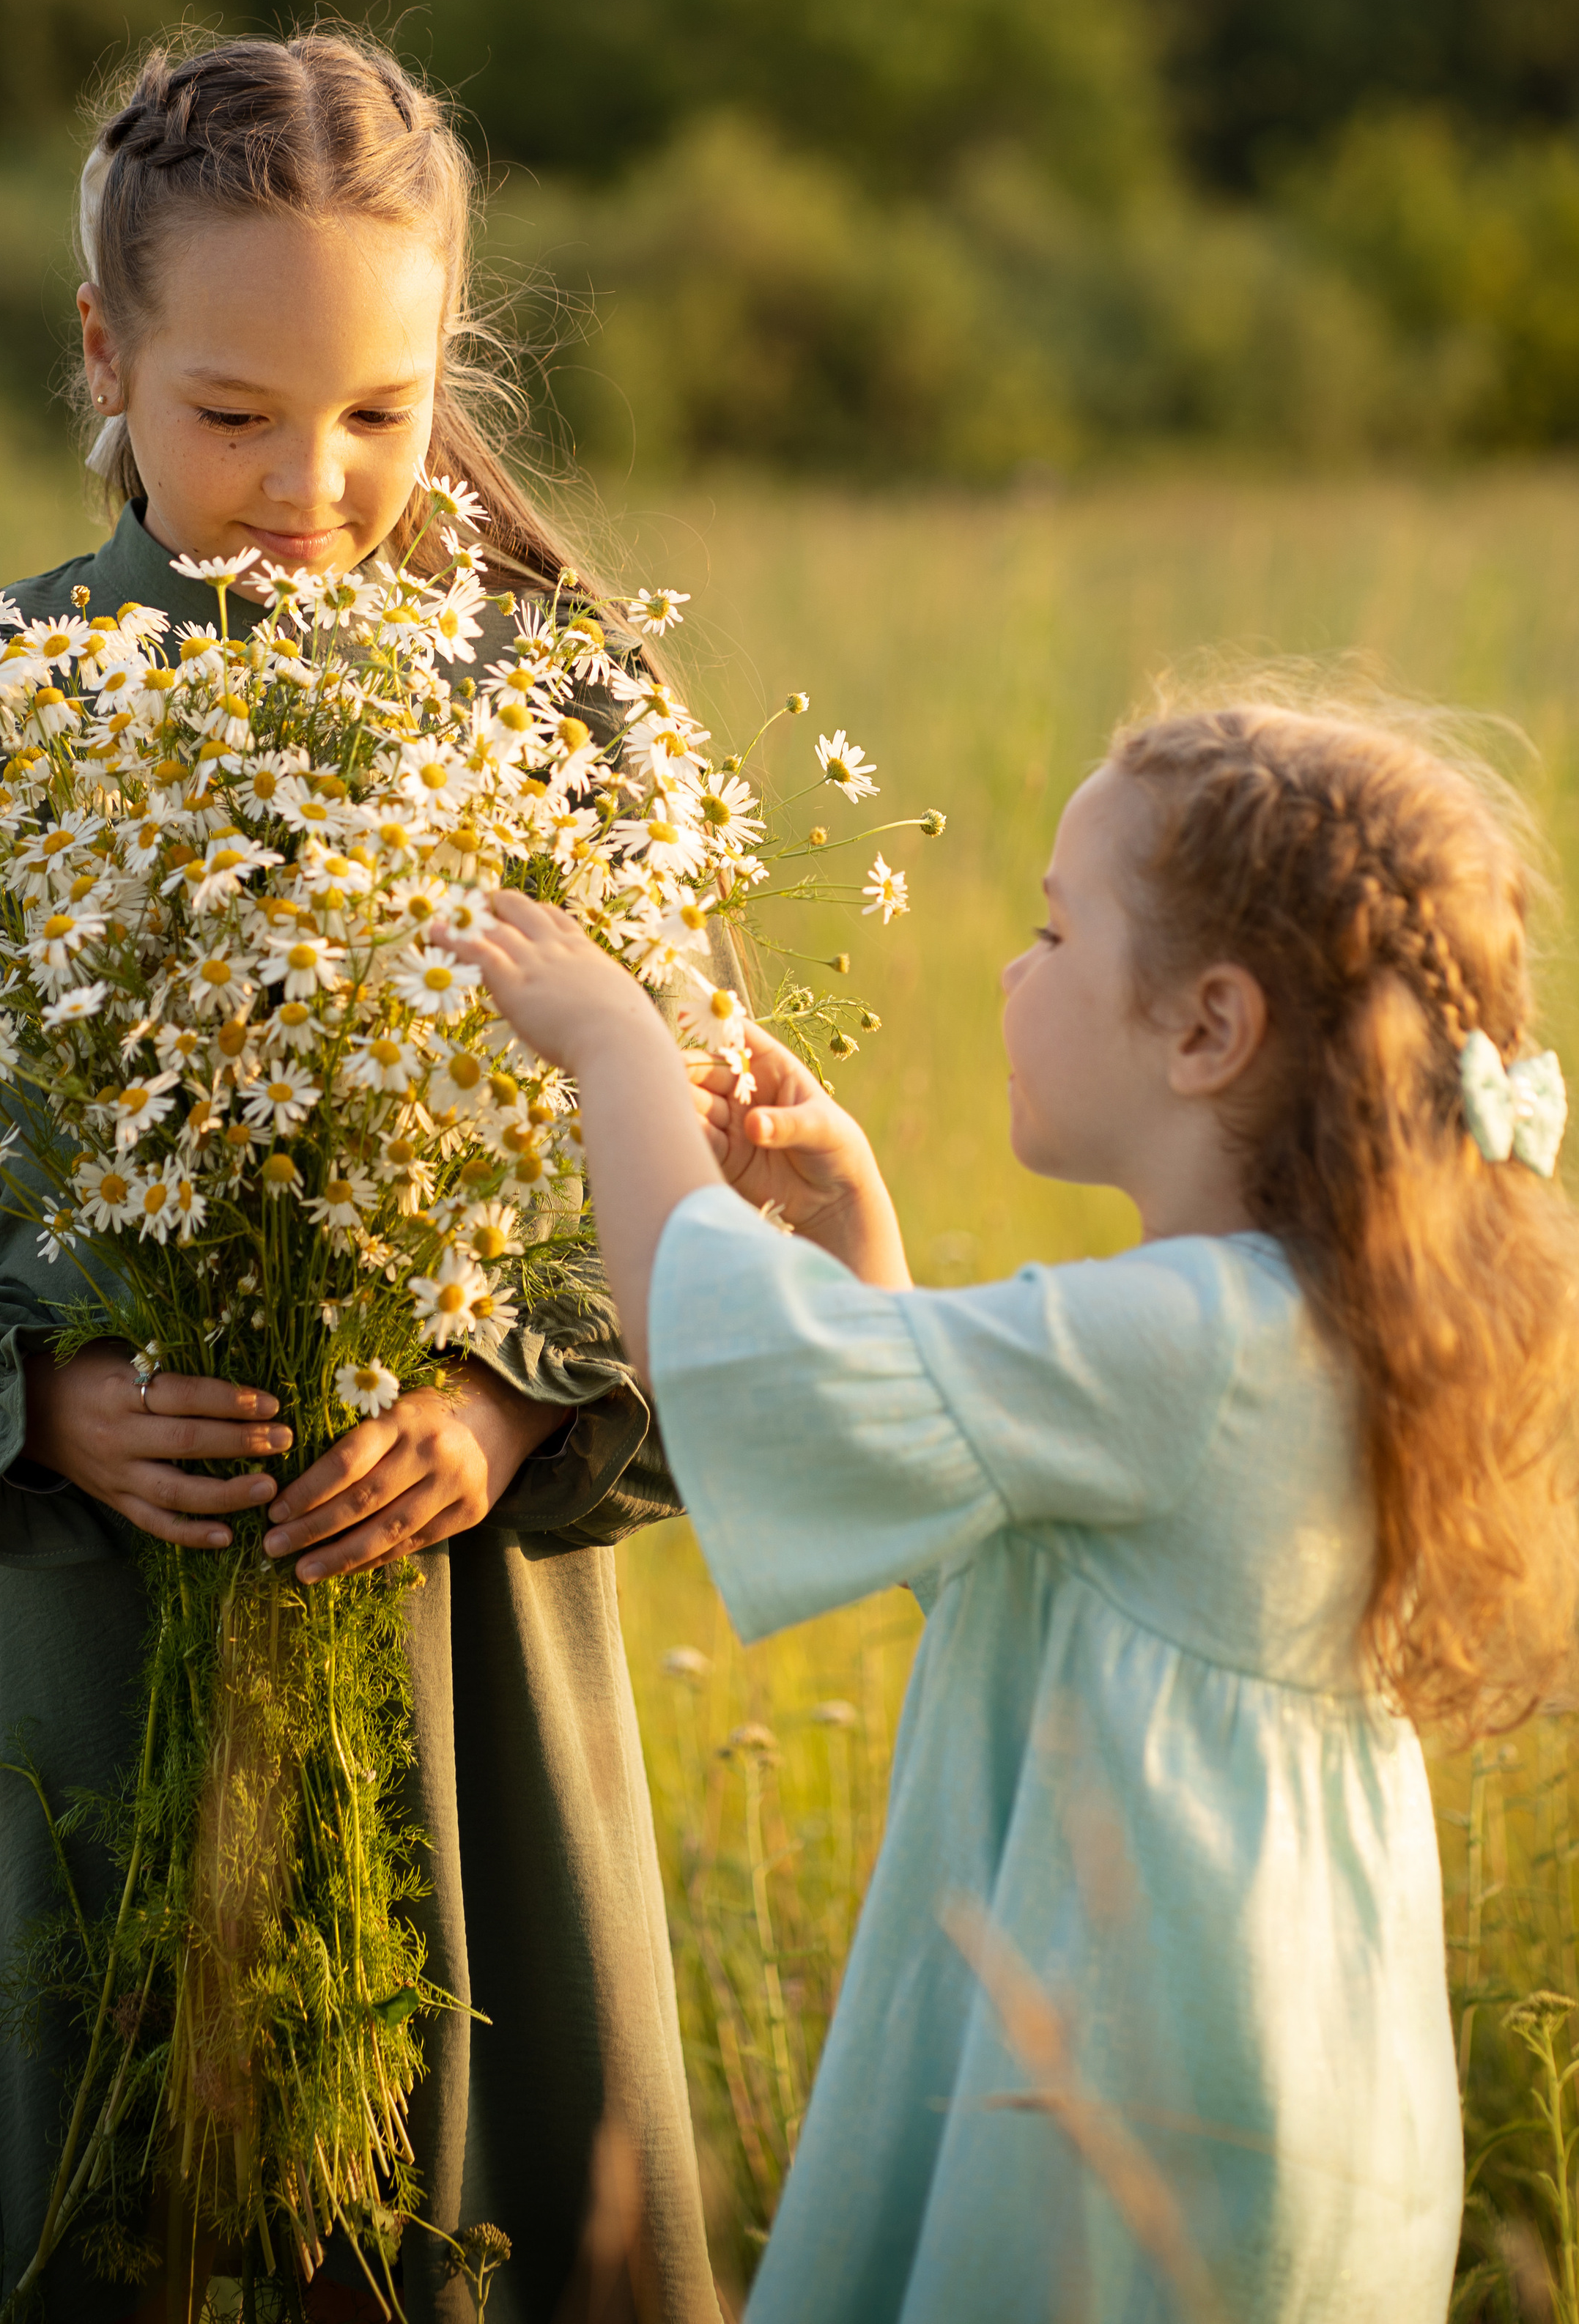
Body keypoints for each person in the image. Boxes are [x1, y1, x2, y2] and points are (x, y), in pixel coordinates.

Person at [0, 30, 720, 2324]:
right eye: (232, 417)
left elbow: (692, 1188)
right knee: (139, 2188)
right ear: (102, 353)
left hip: (472, 1632)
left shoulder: (563, 701)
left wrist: (508, 1408)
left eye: (380, 418)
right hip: (113, 1616)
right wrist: (41, 1401)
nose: (313, 484)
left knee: (506, 2194)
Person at [454, 696, 1579, 2323]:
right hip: (1300, 2068)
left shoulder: (1191, 1341)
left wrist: (613, 1053)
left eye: (1053, 932)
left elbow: (732, 1361)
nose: (1010, 969)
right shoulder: (1288, 1315)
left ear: (1204, 1030)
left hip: (1137, 2091)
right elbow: (997, 1551)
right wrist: (858, 1238)